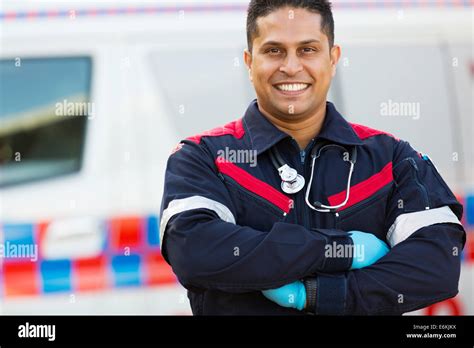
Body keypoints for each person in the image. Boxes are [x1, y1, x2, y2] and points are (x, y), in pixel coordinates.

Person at [159, 0, 465, 315]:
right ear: (249, 62)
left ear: (333, 59)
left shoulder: (392, 157)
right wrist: (342, 250)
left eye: (307, 50)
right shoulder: (203, 156)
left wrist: (318, 295)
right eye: (274, 50)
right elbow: (194, 250)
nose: (291, 66)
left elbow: (437, 263)